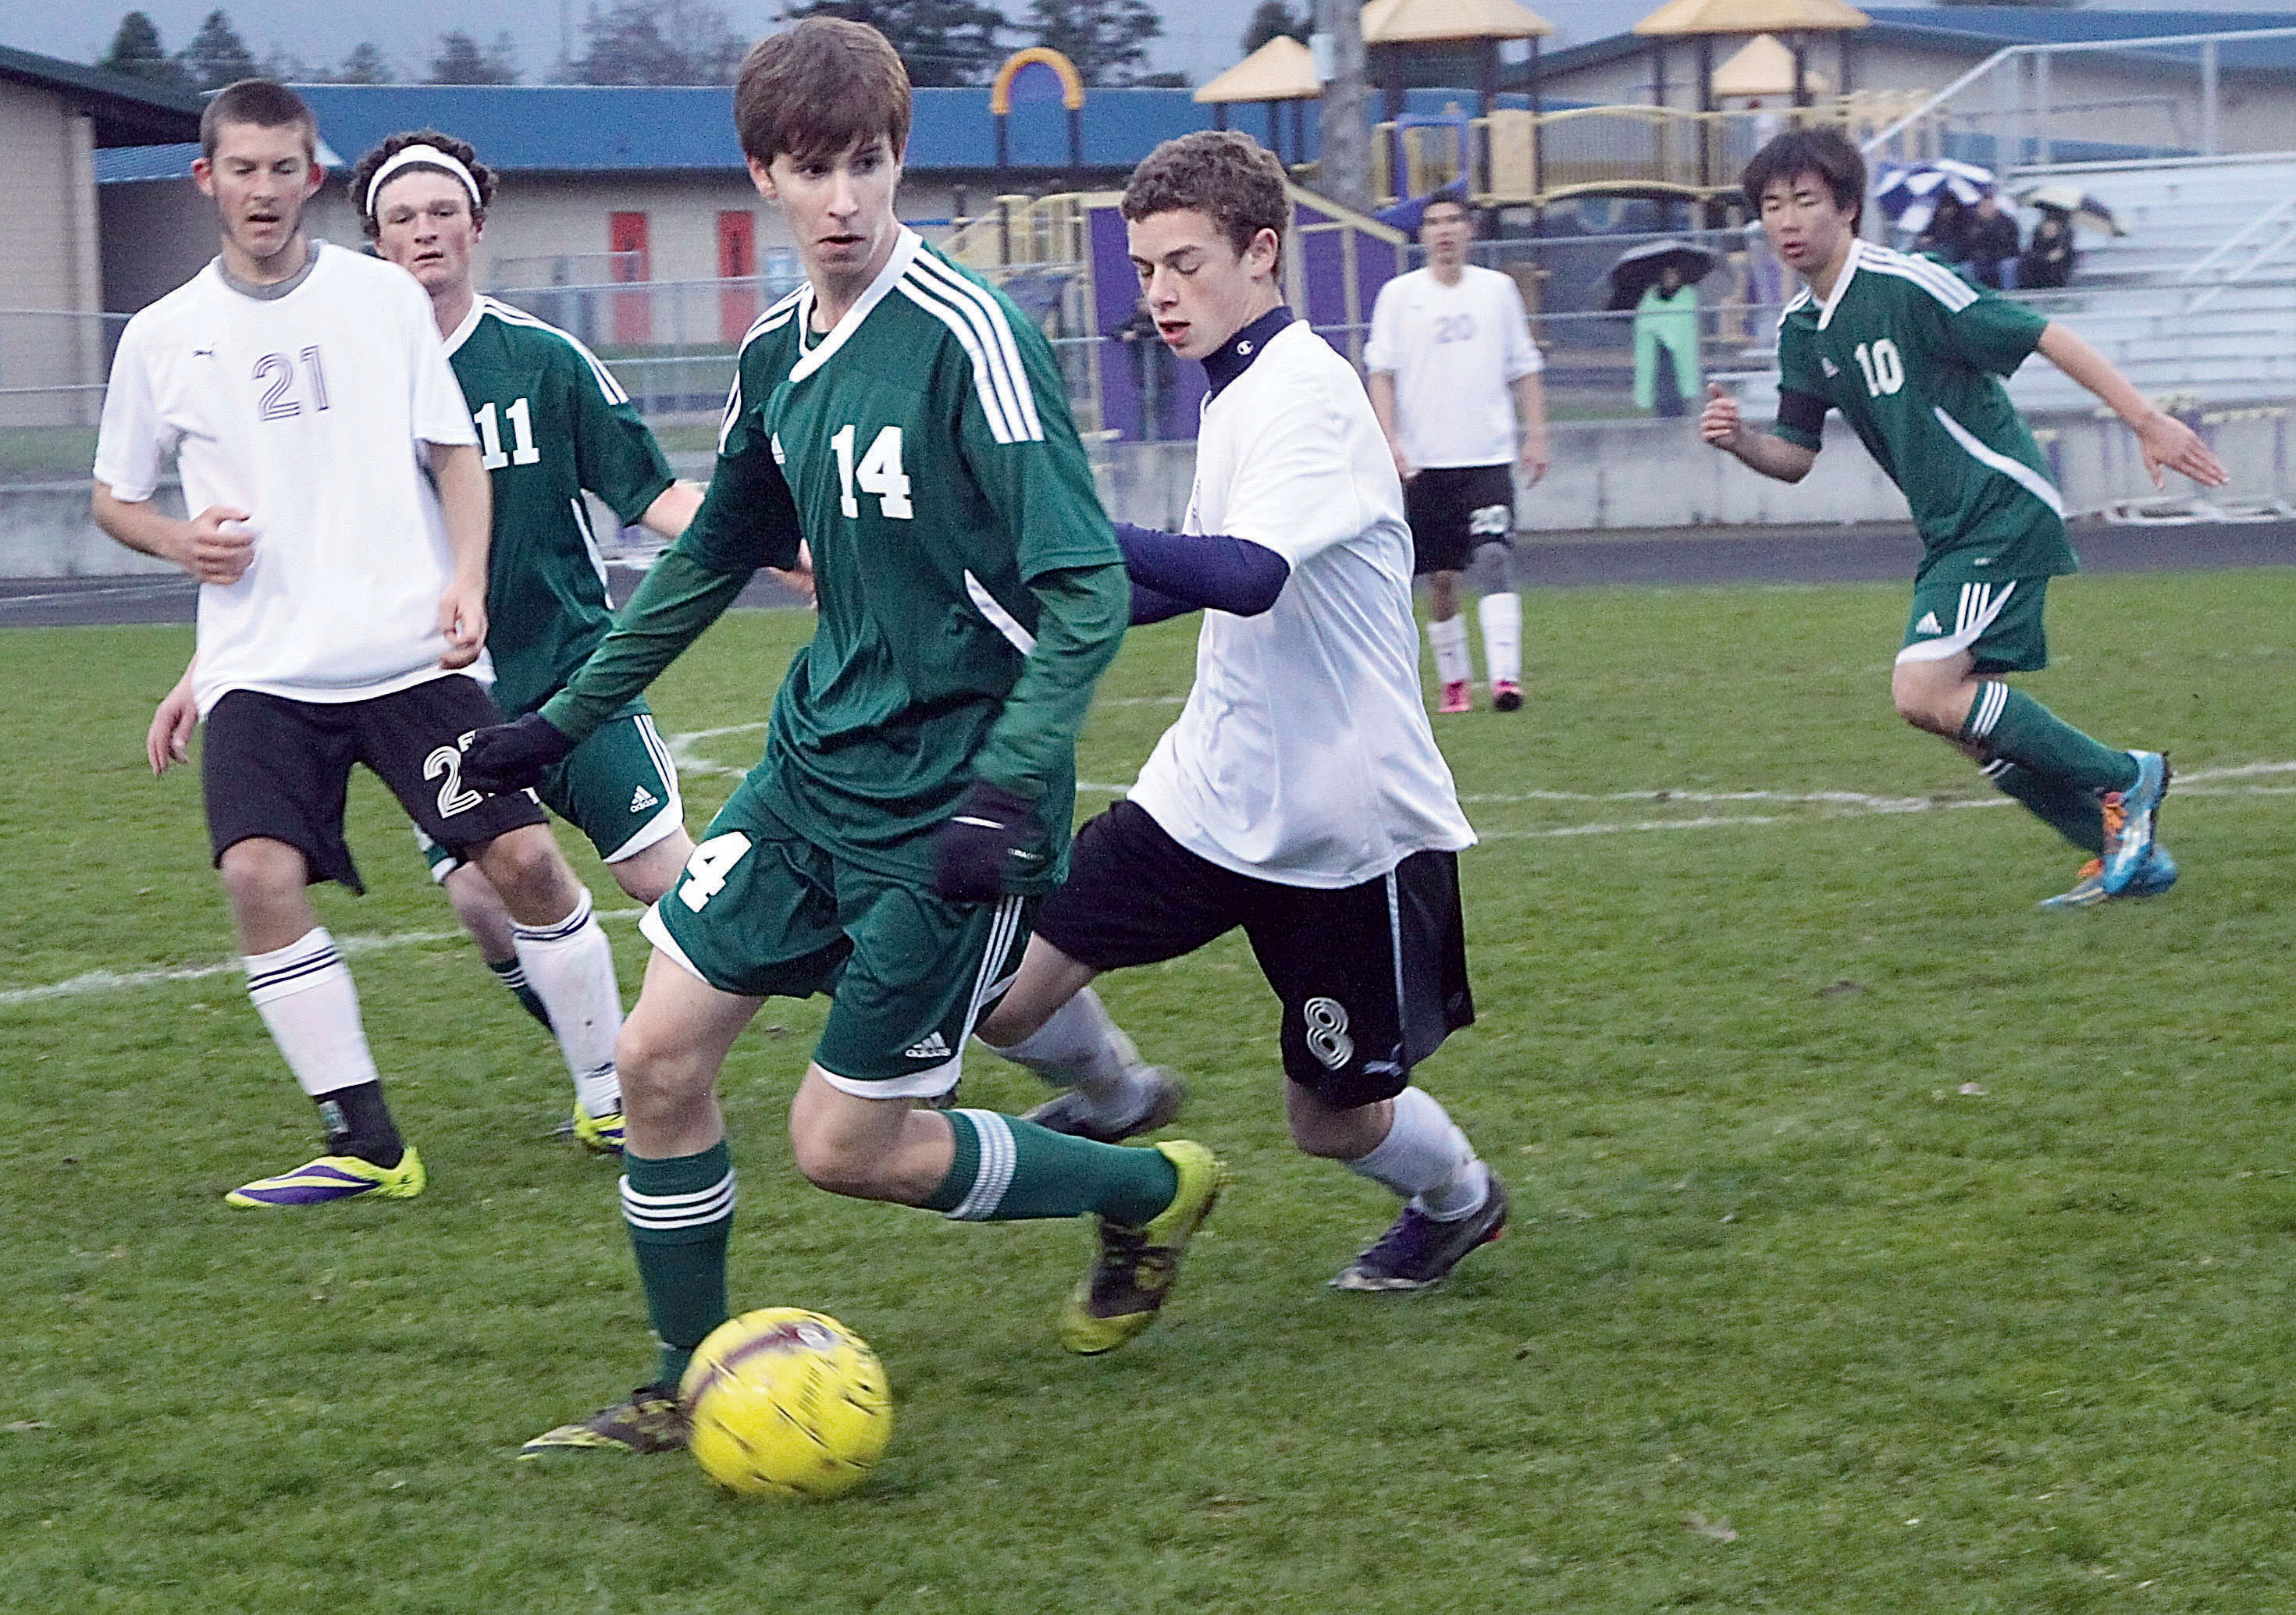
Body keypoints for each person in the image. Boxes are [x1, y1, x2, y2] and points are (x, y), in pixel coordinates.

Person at [459, 19, 1226, 1457]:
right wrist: (555, 719)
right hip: (813, 770)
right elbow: (708, 559)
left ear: (898, 159)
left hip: (951, 809)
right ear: (763, 173)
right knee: (657, 1063)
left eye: (868, 163)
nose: (844, 199)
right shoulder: (775, 353)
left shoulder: (969, 336)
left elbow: (1080, 585)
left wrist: (1013, 781)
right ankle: (682, 1383)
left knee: (844, 1145)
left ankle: (1150, 1186)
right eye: (812, 169)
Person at [148, 129, 773, 1153]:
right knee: (487, 904)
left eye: (442, 212)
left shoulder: (541, 358)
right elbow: (296, 556)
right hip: (434, 695)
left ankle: (874, 1015)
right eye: (401, 217)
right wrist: (203, 669)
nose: (423, 230)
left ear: (476, 227)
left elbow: (649, 491)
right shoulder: (337, 380)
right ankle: (612, 1078)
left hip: (575, 673)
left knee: (672, 881)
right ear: (375, 242)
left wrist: (759, 537)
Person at [973, 130, 1504, 1295]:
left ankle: (1460, 1197)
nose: (1161, 294)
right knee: (1001, 992)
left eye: (1187, 264)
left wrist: (1076, 532)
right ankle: (1120, 1097)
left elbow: (1249, 572)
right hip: (1208, 790)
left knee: (1330, 1123)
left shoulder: (1305, 392)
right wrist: (1043, 608)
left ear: (1263, 253)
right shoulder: (1234, 390)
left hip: (1341, 829)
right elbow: (1185, 580)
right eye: (1146, 269)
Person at [97, 80, 630, 1205]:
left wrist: (468, 583)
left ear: (313, 181)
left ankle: (608, 1090)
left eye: (282, 168)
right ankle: (367, 1143)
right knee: (255, 873)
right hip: (263, 671)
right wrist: (178, 542)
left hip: (405, 658)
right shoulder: (162, 336)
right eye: (239, 169)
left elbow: (454, 456)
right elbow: (114, 498)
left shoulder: (379, 303)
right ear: (208, 180)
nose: (261, 189)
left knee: (526, 862)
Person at [1700, 128, 2230, 907]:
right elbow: (1795, 455)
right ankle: (2116, 846)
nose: (1788, 219)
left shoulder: (1909, 283)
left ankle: (2128, 778)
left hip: (1999, 507)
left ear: (1846, 208)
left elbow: (2045, 334)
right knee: (1959, 718)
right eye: (1772, 205)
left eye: (1806, 200)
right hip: (1951, 529)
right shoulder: (1800, 330)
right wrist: (1741, 440)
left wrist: (2145, 418)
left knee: (1920, 690)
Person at [1365, 193, 1549, 714]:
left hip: (1487, 455)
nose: (1443, 232)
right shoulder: (1399, 297)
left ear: (1469, 231)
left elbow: (1524, 366)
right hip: (1426, 461)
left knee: (1494, 556)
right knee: (1441, 577)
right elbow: (1381, 372)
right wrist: (1390, 439)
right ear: (1421, 235)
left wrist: (1536, 433)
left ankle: (1505, 679)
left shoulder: (1497, 292)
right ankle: (1454, 681)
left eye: (1452, 222)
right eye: (1433, 223)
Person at [1633, 262, 1702, 418]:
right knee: (1661, 383)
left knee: (1679, 383)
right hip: (1659, 348)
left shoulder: (1687, 295)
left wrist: (1667, 328)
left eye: (1674, 275)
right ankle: (1662, 411)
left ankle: (1680, 410)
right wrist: (1660, 329)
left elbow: (1684, 320)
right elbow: (1645, 318)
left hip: (1680, 350)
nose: (1670, 279)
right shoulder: (1651, 295)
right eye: (1667, 275)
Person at [1963, 193, 2021, 290]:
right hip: (1979, 260)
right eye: (1983, 206)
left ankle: (2009, 296)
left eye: (1989, 206)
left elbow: (2011, 246)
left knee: (2008, 266)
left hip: (2003, 258)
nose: (1986, 209)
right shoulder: (1971, 224)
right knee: (1966, 268)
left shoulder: (2007, 223)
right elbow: (1967, 246)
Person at [2020, 209, 2077, 290]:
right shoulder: (2037, 239)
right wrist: (2046, 258)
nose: (2049, 228)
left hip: (2055, 279)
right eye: (2047, 225)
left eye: (2053, 228)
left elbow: (2066, 260)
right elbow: (2030, 257)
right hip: (2035, 278)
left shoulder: (2063, 241)